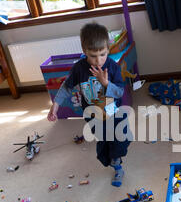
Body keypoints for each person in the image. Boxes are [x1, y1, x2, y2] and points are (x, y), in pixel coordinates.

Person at [47, 22, 131, 187]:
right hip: (93, 115)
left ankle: (118, 167)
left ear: (108, 48)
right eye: (93, 55)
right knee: (104, 144)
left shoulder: (112, 67)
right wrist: (55, 106)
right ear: (84, 51)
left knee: (120, 139)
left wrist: (106, 84)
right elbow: (66, 87)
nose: (98, 60)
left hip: (114, 112)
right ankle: (114, 160)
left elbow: (120, 92)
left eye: (103, 54)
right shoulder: (79, 69)